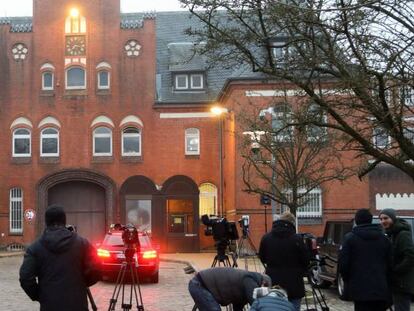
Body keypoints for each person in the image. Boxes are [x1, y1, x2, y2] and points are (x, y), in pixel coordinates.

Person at [19, 205, 101, 311]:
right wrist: (82, 283)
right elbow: (97, 268)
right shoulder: (82, 243)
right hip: (77, 304)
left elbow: (25, 278)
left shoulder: (35, 248)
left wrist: (40, 295)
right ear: (64, 220)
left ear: (46, 222)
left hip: (50, 305)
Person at [338, 209, 392, 311]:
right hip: (380, 287)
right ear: (371, 220)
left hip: (359, 288)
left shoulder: (350, 239)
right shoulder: (384, 239)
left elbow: (343, 264)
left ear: (356, 221)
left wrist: (348, 280)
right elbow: (390, 263)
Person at [258, 211, 310, 311]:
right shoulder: (297, 239)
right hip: (294, 283)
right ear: (292, 223)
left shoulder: (266, 238)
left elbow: (262, 258)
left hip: (273, 281)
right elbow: (306, 260)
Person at [188, 267, 271, 311]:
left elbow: (238, 306)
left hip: (200, 284)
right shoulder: (250, 280)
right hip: (200, 284)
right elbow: (255, 304)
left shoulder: (246, 282)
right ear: (263, 283)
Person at [379, 208, 414, 311]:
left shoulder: (403, 234)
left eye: (386, 218)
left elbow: (410, 257)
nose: (383, 221)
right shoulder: (392, 234)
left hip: (402, 283)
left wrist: (395, 270)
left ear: (393, 218)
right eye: (381, 219)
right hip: (395, 282)